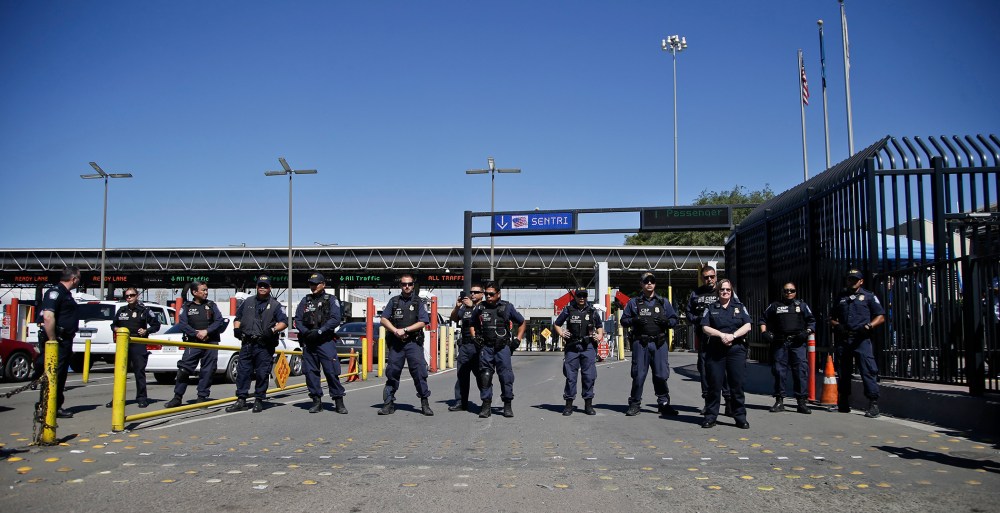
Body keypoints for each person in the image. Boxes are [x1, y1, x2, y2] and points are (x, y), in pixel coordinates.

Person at [226, 276, 288, 413]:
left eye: (265, 285)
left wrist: (272, 330)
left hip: (264, 345)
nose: (262, 287)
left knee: (262, 373)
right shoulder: (248, 301)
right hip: (247, 344)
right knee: (243, 373)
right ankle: (241, 400)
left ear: (270, 288)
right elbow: (238, 318)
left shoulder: (275, 305)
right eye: (260, 285)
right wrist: (236, 329)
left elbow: (284, 322)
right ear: (256, 286)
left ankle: (259, 399)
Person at [621, 272, 680, 417]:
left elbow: (674, 319)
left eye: (652, 281)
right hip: (641, 343)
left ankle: (664, 404)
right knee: (639, 375)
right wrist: (634, 320)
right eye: (646, 281)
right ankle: (635, 404)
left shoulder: (663, 302)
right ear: (641, 284)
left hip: (659, 343)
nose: (649, 283)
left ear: (655, 283)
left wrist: (667, 322)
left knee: (661, 375)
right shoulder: (633, 303)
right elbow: (624, 320)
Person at [830, 268, 885, 418]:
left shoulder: (868, 296)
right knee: (843, 372)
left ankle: (873, 403)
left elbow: (880, 316)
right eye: (850, 279)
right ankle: (843, 402)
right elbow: (831, 317)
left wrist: (869, 326)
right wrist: (837, 325)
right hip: (845, 339)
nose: (852, 281)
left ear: (861, 281)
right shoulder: (841, 297)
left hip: (861, 339)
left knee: (867, 370)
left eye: (855, 279)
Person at [700, 279, 752, 429]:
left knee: (737, 385)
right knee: (714, 385)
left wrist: (733, 336)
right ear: (718, 292)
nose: (725, 292)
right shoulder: (711, 307)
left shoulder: (739, 307)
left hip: (736, 350)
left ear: (731, 291)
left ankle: (740, 417)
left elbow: (747, 325)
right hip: (716, 349)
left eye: (728, 290)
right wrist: (722, 335)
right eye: (722, 290)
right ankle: (710, 417)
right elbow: (705, 327)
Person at [379, 274, 433, 416]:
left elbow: (423, 321)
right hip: (396, 344)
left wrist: (406, 330)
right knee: (392, 372)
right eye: (404, 284)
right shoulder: (394, 301)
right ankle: (388, 403)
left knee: (419, 372)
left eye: (409, 284)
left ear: (413, 285)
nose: (407, 286)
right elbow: (383, 319)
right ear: (400, 286)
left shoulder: (418, 302)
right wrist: (395, 330)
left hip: (412, 343)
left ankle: (424, 402)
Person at [164, 281, 224, 408]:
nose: (206, 292)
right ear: (194, 292)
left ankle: (202, 397)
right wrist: (196, 333)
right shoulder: (187, 307)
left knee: (207, 371)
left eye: (206, 290)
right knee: (184, 370)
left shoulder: (211, 305)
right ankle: (177, 397)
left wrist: (207, 331)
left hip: (211, 343)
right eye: (203, 290)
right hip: (194, 342)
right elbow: (183, 324)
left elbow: (219, 321)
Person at [470, 281, 526, 418]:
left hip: (502, 347)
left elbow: (522, 322)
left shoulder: (507, 307)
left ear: (498, 294)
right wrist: (474, 337)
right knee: (485, 376)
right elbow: (471, 323)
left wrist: (517, 340)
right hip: (486, 347)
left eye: (491, 294)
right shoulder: (480, 308)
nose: (488, 297)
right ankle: (486, 405)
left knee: (506, 376)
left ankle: (507, 405)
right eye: (486, 294)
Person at [294, 273, 347, 414]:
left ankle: (338, 401)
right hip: (309, 342)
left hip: (325, 341)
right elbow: (297, 319)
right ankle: (316, 401)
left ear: (323, 284)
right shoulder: (305, 301)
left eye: (316, 283)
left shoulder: (331, 300)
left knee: (331, 371)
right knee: (310, 373)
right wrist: (305, 332)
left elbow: (336, 319)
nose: (313, 286)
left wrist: (320, 331)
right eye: (311, 283)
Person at [760, 282, 816, 414]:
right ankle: (779, 401)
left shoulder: (802, 305)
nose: (789, 293)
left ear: (796, 292)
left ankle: (801, 402)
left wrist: (806, 332)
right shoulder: (775, 306)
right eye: (786, 291)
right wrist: (764, 333)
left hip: (797, 343)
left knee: (800, 371)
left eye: (792, 290)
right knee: (779, 372)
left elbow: (812, 321)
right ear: (782, 292)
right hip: (780, 343)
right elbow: (763, 319)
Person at [36, 266, 81, 418]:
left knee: (60, 375)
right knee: (53, 375)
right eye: (78, 278)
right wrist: (53, 339)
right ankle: (48, 407)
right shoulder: (56, 292)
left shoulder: (66, 294)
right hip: (58, 342)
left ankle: (54, 406)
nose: (79, 282)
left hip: (65, 341)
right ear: (73, 279)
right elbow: (48, 317)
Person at [687, 264, 732, 415]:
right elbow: (689, 314)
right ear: (702, 278)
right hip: (705, 341)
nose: (709, 280)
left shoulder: (724, 291)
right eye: (706, 277)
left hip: (722, 340)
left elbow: (735, 310)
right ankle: (708, 402)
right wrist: (699, 319)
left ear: (716, 277)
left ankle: (729, 402)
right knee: (705, 371)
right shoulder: (695, 294)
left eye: (712, 276)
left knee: (724, 371)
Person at [106, 287, 161, 408]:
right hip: (123, 345)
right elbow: (113, 325)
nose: (129, 297)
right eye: (127, 296)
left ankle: (142, 398)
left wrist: (146, 330)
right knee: (120, 373)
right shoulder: (121, 310)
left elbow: (156, 325)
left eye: (132, 295)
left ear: (137, 296)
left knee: (139, 372)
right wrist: (116, 329)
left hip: (138, 343)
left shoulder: (144, 310)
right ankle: (116, 398)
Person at [553, 287, 605, 416]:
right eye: (579, 295)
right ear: (575, 297)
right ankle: (568, 405)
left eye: (584, 295)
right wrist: (562, 333)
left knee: (589, 376)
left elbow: (599, 326)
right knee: (571, 377)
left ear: (587, 296)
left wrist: (599, 336)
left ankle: (588, 405)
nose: (581, 298)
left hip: (588, 347)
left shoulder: (592, 311)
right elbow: (557, 324)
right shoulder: (568, 310)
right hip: (572, 347)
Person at [447, 284, 485, 412]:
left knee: (481, 376)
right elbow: (453, 318)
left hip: (478, 346)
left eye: (476, 292)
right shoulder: (465, 308)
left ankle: (486, 402)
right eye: (471, 292)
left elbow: (484, 319)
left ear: (482, 294)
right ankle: (461, 402)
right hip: (464, 346)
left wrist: (473, 306)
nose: (473, 294)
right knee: (462, 375)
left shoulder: (484, 307)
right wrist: (457, 307)